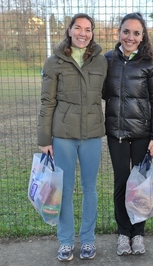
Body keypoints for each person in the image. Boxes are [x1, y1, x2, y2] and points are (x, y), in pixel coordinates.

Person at [37, 13, 108, 262]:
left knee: (90, 189)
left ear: (92, 33)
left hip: (91, 135)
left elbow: (111, 94)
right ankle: (66, 241)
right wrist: (45, 139)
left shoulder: (101, 62)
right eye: (78, 28)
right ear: (69, 30)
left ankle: (87, 240)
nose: (83, 33)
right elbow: (47, 103)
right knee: (64, 190)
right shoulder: (53, 62)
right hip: (63, 136)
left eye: (88, 29)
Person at [102, 12, 153, 256]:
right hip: (116, 134)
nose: (130, 37)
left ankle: (138, 234)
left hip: (142, 136)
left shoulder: (152, 62)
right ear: (119, 33)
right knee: (121, 183)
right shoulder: (107, 60)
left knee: (140, 186)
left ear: (143, 36)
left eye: (136, 33)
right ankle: (123, 233)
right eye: (126, 31)